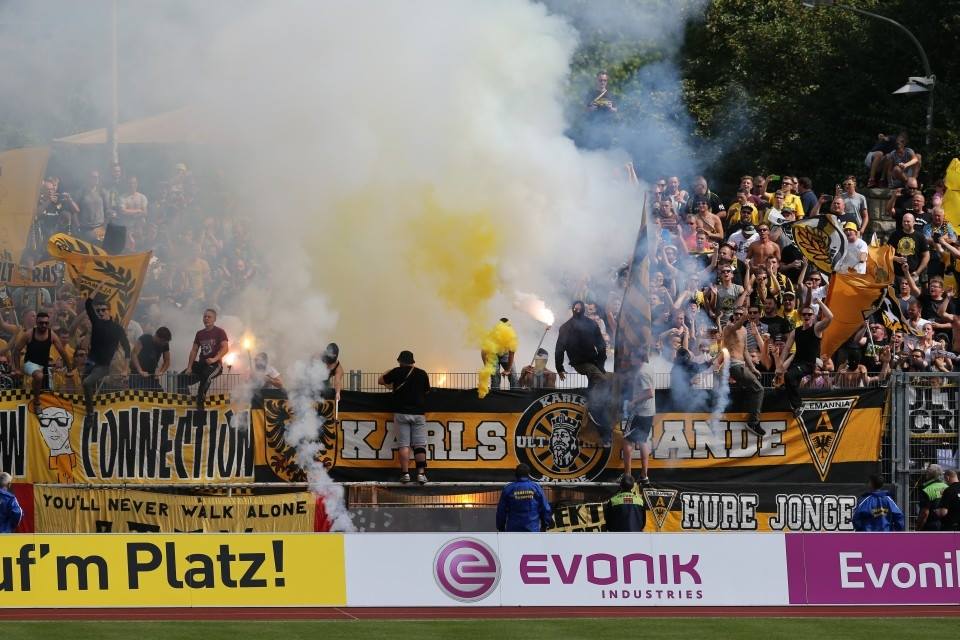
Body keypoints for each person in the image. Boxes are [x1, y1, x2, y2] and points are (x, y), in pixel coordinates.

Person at [555, 300, 613, 444]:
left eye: (580, 308)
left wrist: (601, 363)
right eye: (576, 308)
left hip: (594, 362)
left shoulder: (591, 324)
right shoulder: (566, 327)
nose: (578, 310)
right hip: (580, 363)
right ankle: (593, 404)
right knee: (603, 382)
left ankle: (594, 397)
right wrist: (559, 368)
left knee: (604, 381)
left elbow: (601, 344)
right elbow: (559, 349)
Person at [378, 350, 431, 484]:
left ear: (400, 361)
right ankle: (421, 474)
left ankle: (405, 474)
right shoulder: (422, 373)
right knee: (420, 445)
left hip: (401, 413)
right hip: (418, 413)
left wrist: (388, 371)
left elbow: (380, 381)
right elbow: (427, 391)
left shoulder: (396, 372)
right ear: (413, 361)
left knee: (404, 445)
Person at [9, 311, 70, 414]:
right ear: (37, 322)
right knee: (39, 376)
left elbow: (63, 352)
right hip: (29, 363)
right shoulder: (29, 334)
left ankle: (49, 410)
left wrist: (69, 368)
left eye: (46, 323)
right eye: (41, 323)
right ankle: (36, 403)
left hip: (44, 366)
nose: (44, 325)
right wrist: (17, 369)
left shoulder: (52, 335)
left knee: (49, 389)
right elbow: (16, 350)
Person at [781, 301, 833, 418]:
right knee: (786, 381)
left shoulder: (816, 328)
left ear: (813, 316)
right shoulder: (796, 331)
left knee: (789, 376)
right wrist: (780, 364)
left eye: (809, 314)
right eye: (804, 314)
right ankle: (793, 405)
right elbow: (787, 348)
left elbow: (830, 317)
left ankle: (798, 405)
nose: (806, 316)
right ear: (801, 316)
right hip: (797, 362)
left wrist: (819, 302)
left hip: (809, 364)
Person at [82, 296, 130, 418]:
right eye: (98, 310)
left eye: (103, 310)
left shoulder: (118, 328)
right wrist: (95, 291)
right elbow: (88, 304)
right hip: (90, 362)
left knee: (87, 383)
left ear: (109, 310)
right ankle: (87, 408)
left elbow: (127, 349)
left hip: (103, 366)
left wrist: (125, 368)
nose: (100, 312)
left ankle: (90, 413)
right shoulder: (96, 322)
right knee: (83, 386)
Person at [722, 307, 764, 436]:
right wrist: (745, 317)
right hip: (733, 364)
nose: (738, 316)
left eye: (741, 314)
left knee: (752, 388)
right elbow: (736, 327)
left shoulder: (745, 330)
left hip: (741, 365)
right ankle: (753, 422)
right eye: (736, 314)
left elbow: (745, 351)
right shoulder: (728, 327)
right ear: (733, 315)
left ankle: (746, 415)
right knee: (759, 388)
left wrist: (753, 368)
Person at [182, 308, 228, 414]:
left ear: (214, 319)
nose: (206, 318)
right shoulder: (199, 333)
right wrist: (189, 367)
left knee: (205, 376)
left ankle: (200, 404)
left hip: (215, 365)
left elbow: (225, 348)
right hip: (202, 364)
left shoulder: (220, 332)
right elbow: (194, 350)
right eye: (205, 316)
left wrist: (214, 359)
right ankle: (187, 399)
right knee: (180, 378)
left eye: (209, 317)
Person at [622, 348, 654, 485]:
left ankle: (627, 476)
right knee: (642, 441)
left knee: (627, 441)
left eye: (632, 356)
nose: (630, 359)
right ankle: (644, 476)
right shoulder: (648, 367)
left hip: (640, 412)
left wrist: (633, 402)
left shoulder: (642, 373)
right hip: (648, 411)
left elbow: (650, 393)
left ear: (638, 357)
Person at [496, 463, 552, 532]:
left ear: (516, 474)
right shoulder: (536, 487)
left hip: (513, 531)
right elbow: (545, 508)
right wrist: (545, 525)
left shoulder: (508, 488)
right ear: (528, 474)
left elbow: (501, 511)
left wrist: (501, 527)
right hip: (532, 530)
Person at [482, 318, 517, 390]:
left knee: (513, 374)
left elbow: (511, 353)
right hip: (493, 354)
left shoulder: (511, 336)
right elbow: (483, 351)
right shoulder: (492, 334)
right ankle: (495, 394)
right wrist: (487, 366)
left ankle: (516, 392)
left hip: (506, 354)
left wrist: (508, 370)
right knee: (495, 376)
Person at [916, 464, 949, 531]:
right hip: (947, 524)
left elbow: (924, 513)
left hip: (932, 526)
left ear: (928, 475)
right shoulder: (947, 487)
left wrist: (918, 528)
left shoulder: (927, 490)